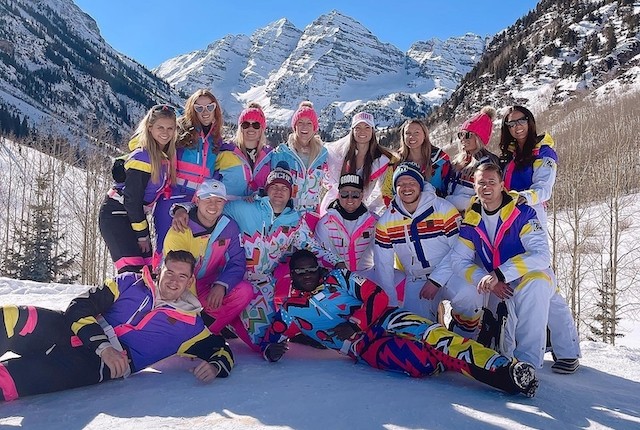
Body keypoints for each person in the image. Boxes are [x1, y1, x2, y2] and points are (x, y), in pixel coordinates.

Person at [260, 249, 539, 398]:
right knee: (421, 363)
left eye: (312, 268)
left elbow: (376, 296)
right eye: (301, 271)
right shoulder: (291, 311)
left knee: (435, 337)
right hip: (364, 348)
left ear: (319, 268)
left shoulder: (339, 278)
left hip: (385, 317)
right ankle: (453, 360)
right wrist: (269, 350)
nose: (308, 274)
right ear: (292, 276)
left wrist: (356, 322)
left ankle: (506, 372)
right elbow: (272, 336)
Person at [0, 250, 234, 402]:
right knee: (13, 317)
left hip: (94, 365)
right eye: (169, 272)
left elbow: (221, 349)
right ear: (159, 269)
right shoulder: (130, 282)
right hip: (72, 330)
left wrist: (215, 366)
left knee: (8, 381)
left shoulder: (191, 324)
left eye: (182, 276)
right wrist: (103, 345)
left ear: (190, 281)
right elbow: (79, 306)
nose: (174, 280)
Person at [174, 163, 341, 349]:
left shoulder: (295, 222)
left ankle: (237, 324)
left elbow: (314, 247)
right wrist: (181, 209)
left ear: (291, 193)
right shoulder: (244, 208)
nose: (279, 192)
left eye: (284, 188)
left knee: (267, 337)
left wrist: (338, 263)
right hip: (230, 278)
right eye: (274, 187)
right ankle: (205, 332)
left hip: (262, 285)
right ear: (266, 190)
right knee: (253, 331)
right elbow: (211, 206)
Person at [450, 163, 571, 372]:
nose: (486, 187)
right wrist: (484, 279)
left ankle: (528, 365)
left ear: (502, 185)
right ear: (474, 185)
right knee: (502, 334)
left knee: (536, 289)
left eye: (491, 182)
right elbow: (458, 260)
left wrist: (500, 274)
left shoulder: (522, 213)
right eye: (481, 183)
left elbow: (541, 256)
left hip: (532, 275)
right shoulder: (472, 219)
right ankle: (506, 361)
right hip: (499, 282)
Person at [499, 106, 581, 373]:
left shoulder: (543, 152)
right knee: (547, 286)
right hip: (511, 222)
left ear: (530, 122)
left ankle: (566, 351)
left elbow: (544, 188)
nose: (517, 127)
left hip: (532, 220)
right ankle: (567, 349)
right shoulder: (511, 155)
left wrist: (523, 197)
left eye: (521, 121)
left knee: (544, 281)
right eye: (511, 124)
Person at [374, 161, 483, 338]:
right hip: (416, 279)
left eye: (411, 183)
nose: (406, 188)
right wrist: (391, 304)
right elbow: (383, 266)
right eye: (401, 184)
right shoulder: (386, 222)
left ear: (421, 184)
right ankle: (435, 341)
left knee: (469, 294)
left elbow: (460, 250)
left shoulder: (443, 209)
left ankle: (464, 336)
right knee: (416, 334)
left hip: (450, 273)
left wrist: (436, 280)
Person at [164, 179, 253, 338]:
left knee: (244, 291)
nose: (213, 205)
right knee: (175, 325)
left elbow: (237, 262)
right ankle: (187, 333)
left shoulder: (229, 227)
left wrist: (221, 285)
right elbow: (175, 275)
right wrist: (194, 309)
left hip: (206, 286)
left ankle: (206, 335)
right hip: (177, 290)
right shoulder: (180, 229)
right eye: (208, 199)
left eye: (218, 200)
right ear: (197, 200)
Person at [99, 104, 177, 273]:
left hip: (134, 217)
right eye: (160, 127)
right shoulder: (144, 156)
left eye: (170, 128)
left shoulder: (163, 156)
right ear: (150, 128)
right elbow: (132, 199)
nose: (165, 132)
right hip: (117, 215)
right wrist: (142, 235)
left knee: (147, 273)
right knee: (132, 273)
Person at [152, 89, 225, 264]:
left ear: (216, 109)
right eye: (199, 108)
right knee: (165, 249)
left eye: (210, 106)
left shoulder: (215, 141)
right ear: (192, 110)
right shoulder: (180, 132)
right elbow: (150, 144)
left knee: (188, 253)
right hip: (173, 196)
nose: (205, 111)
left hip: (197, 201)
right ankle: (156, 285)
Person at [322, 111, 396, 215]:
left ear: (372, 131)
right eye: (358, 127)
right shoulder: (338, 154)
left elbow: (383, 191)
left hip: (361, 211)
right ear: (352, 131)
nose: (362, 131)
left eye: (367, 127)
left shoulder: (380, 161)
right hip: (333, 207)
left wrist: (370, 209)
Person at [270, 101, 328, 228]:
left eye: (309, 123)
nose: (304, 127)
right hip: (286, 215)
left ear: (315, 128)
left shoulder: (323, 156)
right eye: (300, 123)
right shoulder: (282, 154)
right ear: (294, 126)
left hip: (312, 217)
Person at [315, 173, 378, 281]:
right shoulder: (325, 223)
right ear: (339, 195)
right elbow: (320, 255)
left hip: (369, 277)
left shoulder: (375, 221)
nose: (350, 199)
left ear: (362, 196)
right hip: (338, 279)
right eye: (344, 194)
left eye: (355, 194)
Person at [382, 119, 451, 204]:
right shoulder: (396, 161)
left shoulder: (440, 159)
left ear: (425, 135)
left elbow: (449, 188)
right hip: (404, 212)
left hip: (438, 210)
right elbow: (387, 191)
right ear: (403, 136)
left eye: (416, 133)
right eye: (408, 133)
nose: (412, 137)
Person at [446, 106, 500, 213]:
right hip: (451, 216)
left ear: (479, 138)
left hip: (472, 217)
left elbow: (484, 197)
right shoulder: (459, 161)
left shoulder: (486, 164)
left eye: (468, 135)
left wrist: (447, 201)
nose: (462, 139)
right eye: (461, 134)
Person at [216, 102, 273, 199]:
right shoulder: (225, 152)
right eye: (246, 124)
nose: (251, 128)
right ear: (240, 128)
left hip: (258, 210)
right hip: (228, 210)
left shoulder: (270, 157)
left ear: (262, 129)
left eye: (256, 125)